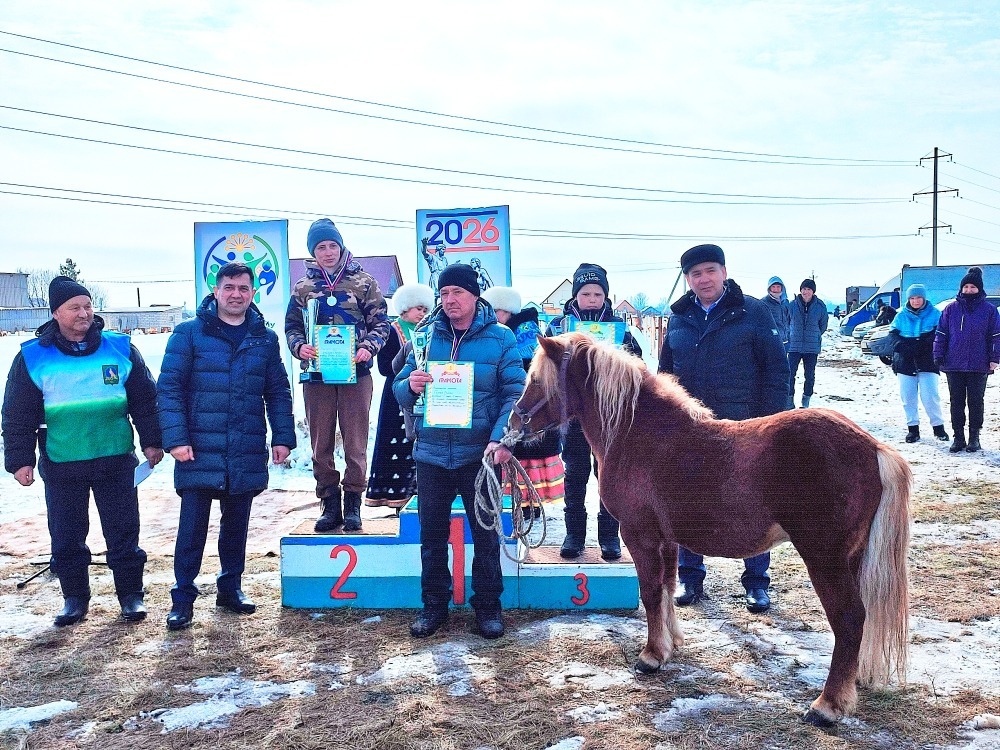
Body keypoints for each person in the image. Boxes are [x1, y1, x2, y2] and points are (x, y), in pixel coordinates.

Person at [2, 276, 163, 626]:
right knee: (66, 534)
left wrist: (152, 441)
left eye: (87, 305)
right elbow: (16, 413)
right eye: (74, 307)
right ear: (56, 312)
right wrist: (19, 460)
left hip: (116, 456)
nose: (83, 313)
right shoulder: (32, 356)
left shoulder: (120, 347)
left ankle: (130, 595)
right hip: (62, 461)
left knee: (123, 530)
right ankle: (75, 599)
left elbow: (145, 400)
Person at [158, 262, 296, 631]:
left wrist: (283, 436)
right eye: (229, 287)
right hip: (198, 448)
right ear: (215, 290)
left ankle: (230, 588)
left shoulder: (264, 338)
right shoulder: (188, 333)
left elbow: (277, 391)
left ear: (253, 293)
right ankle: (182, 598)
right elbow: (169, 389)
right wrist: (176, 439)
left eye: (243, 288)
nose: (236, 294)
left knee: (236, 526)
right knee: (192, 529)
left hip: (245, 447)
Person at [393, 264, 525, 640]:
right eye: (444, 293)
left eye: (458, 293)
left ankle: (488, 608)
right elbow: (398, 388)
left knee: (486, 535)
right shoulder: (422, 336)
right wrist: (410, 386)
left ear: (475, 296)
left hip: (480, 455)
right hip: (431, 453)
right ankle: (433, 606)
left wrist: (501, 438)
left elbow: (514, 393)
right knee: (431, 537)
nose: (450, 300)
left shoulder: (501, 338)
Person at [658, 244, 789, 613]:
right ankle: (690, 577)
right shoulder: (679, 317)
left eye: (710, 271)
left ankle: (757, 582)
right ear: (688, 279)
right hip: (690, 431)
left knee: (751, 501)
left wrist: (773, 423)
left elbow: (777, 371)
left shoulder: (754, 311)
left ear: (724, 272)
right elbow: (665, 376)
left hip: (745, 427)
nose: (704, 279)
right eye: (696, 273)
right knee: (686, 501)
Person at [285, 219, 390, 532]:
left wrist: (368, 348)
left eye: (332, 245)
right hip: (317, 377)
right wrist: (299, 346)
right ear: (313, 252)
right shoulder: (303, 287)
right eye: (321, 247)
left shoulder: (364, 282)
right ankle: (329, 503)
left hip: (356, 375)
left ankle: (354, 503)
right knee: (321, 443)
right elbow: (291, 326)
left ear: (341, 247)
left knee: (355, 442)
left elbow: (382, 323)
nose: (328, 252)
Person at [545, 263, 642, 561]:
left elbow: (636, 363)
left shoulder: (619, 327)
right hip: (574, 417)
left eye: (597, 293)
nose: (591, 299)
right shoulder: (558, 327)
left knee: (608, 476)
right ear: (576, 296)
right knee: (574, 474)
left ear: (605, 296)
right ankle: (574, 535)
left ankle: (609, 537)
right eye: (585, 293)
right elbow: (545, 366)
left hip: (609, 419)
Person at [482, 286, 565, 511]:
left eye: (500, 310)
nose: (496, 315)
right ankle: (518, 502)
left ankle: (531, 503)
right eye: (493, 310)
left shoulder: (526, 332)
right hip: (510, 402)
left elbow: (529, 369)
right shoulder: (495, 331)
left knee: (529, 454)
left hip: (529, 402)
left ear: (510, 311)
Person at [365, 283, 433, 509]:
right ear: (404, 308)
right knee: (394, 442)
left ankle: (415, 493)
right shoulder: (393, 331)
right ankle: (391, 495)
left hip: (422, 394)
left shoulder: (428, 332)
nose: (422, 313)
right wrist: (407, 368)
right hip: (396, 395)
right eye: (417, 308)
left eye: (425, 309)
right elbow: (384, 367)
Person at [933, 266, 1000, 453]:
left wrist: (995, 358)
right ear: (961, 288)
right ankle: (958, 438)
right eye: (966, 287)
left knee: (976, 401)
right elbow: (941, 334)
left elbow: (996, 335)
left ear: (980, 289)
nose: (969, 290)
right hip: (954, 363)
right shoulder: (950, 309)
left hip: (979, 364)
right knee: (956, 401)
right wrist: (938, 354)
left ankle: (974, 438)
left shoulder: (989, 310)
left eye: (973, 287)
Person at [886, 284, 948, 444]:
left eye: (918, 297)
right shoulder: (900, 316)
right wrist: (903, 347)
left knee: (931, 396)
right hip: (905, 363)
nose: (915, 301)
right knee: (908, 397)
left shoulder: (935, 314)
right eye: (912, 298)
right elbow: (893, 336)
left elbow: (939, 335)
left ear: (924, 298)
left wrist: (923, 346)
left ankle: (938, 427)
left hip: (928, 362)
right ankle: (913, 429)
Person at [787, 278, 828, 408]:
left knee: (809, 375)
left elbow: (823, 325)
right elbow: (787, 322)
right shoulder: (792, 305)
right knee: (790, 374)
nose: (806, 292)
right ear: (800, 290)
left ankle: (805, 401)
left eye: (809, 289)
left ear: (813, 291)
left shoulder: (820, 306)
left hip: (811, 347)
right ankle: (789, 401)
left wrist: (814, 335)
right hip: (794, 346)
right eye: (804, 289)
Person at [762, 276, 791, 352]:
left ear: (782, 288)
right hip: (772, 343)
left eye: (778, 287)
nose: (776, 289)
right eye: (773, 287)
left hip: (786, 342)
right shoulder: (763, 303)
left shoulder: (785, 302)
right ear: (769, 288)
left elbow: (789, 320)